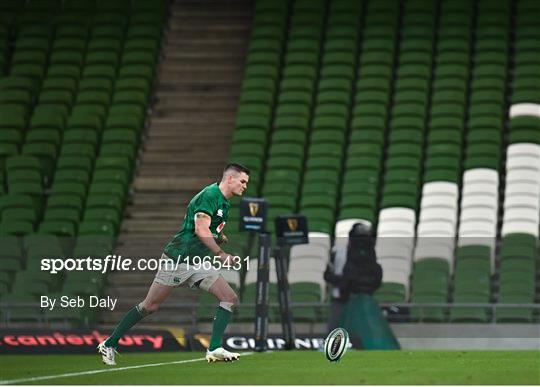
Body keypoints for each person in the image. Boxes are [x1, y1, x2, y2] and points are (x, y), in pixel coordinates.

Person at [98, 163, 250, 365]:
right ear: (229, 179)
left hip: (197, 261)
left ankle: (214, 348)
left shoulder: (225, 202)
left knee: (229, 297)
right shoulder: (210, 195)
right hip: (178, 259)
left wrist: (218, 235)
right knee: (149, 306)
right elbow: (200, 228)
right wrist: (220, 253)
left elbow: (207, 228)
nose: (245, 186)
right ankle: (109, 343)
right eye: (242, 181)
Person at [323, 222, 382, 331]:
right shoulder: (338, 253)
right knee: (336, 329)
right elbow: (327, 275)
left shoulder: (369, 256)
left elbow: (375, 278)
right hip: (340, 300)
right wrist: (342, 282)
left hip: (361, 300)